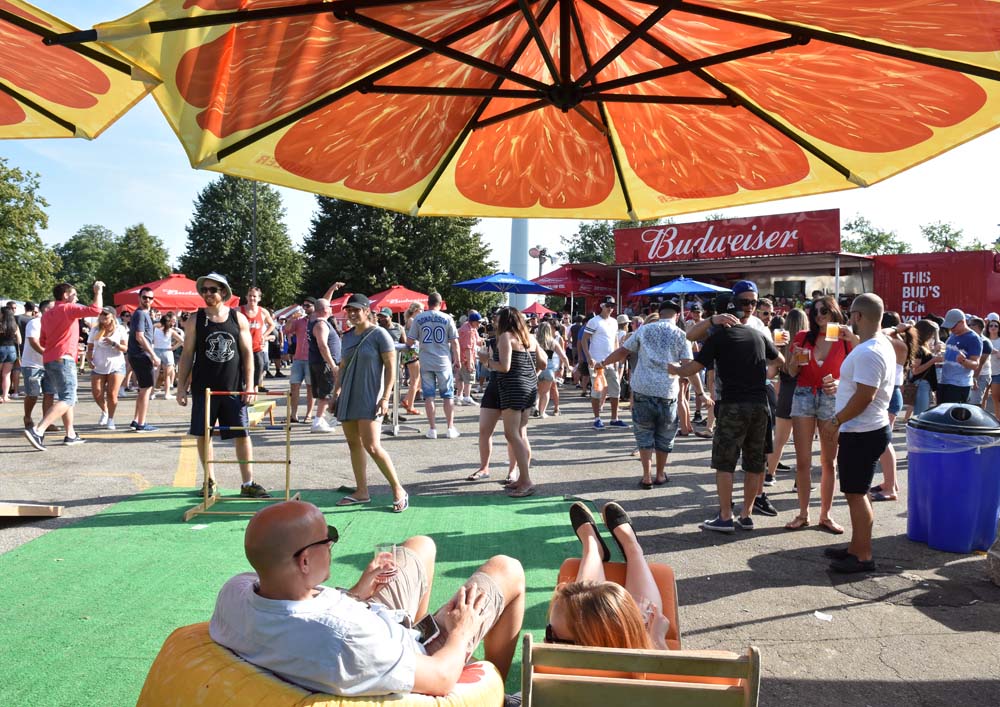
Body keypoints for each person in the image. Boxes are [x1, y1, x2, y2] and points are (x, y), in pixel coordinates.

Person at [209, 500, 526, 698]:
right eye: (328, 537)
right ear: (304, 561)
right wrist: (460, 631)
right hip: (407, 650)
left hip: (370, 618)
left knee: (421, 546)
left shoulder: (234, 592)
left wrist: (356, 594)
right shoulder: (344, 639)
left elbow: (298, 612)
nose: (333, 543)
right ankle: (493, 696)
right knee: (507, 569)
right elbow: (441, 678)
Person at [670, 291, 783, 532]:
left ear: (719, 315)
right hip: (760, 405)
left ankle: (724, 517)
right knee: (754, 463)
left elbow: (693, 366)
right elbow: (780, 360)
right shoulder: (757, 334)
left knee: (725, 463)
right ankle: (746, 515)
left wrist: (674, 370)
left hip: (733, 405)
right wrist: (762, 374)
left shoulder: (718, 338)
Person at [175, 273, 270, 499]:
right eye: (205, 290)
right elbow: (187, 355)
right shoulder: (195, 319)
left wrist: (251, 385)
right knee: (203, 435)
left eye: (213, 290)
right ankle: (210, 481)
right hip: (204, 389)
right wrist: (180, 387)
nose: (208, 294)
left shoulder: (238, 319)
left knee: (242, 434)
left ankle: (248, 482)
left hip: (234, 388)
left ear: (223, 292)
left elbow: (248, 354)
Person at [601, 298, 707, 489]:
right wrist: (701, 393)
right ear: (676, 315)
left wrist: (604, 363)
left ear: (661, 312)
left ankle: (646, 476)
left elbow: (622, 352)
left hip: (642, 389)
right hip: (667, 391)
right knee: (665, 436)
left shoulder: (644, 329)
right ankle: (660, 474)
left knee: (644, 434)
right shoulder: (682, 335)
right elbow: (689, 368)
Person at [824, 294, 896, 573]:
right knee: (856, 492)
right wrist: (841, 386)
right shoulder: (875, 345)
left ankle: (863, 555)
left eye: (850, 313)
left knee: (856, 494)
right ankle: (856, 546)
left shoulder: (870, 350)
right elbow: (863, 387)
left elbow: (866, 395)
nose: (847, 318)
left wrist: (836, 420)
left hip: (863, 430)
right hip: (866, 429)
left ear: (858, 316)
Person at [549, 502, 669, 649]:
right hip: (636, 643)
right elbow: (669, 671)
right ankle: (632, 548)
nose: (546, 638)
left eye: (550, 632)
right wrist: (656, 638)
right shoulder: (644, 665)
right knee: (644, 614)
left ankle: (593, 548)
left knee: (579, 607)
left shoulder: (560, 663)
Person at [784, 296, 858, 533]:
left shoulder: (844, 338)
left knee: (829, 461)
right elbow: (791, 371)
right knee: (803, 460)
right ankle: (803, 514)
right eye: (814, 311)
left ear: (834, 311)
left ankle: (825, 515)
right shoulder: (803, 337)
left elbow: (858, 371)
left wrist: (839, 382)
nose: (819, 316)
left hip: (832, 399)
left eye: (824, 310)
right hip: (804, 395)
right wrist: (794, 357)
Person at [334, 294, 408, 512]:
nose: (352, 314)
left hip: (370, 396)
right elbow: (343, 367)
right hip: (348, 395)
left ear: (367, 310)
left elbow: (391, 367)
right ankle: (361, 491)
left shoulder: (379, 334)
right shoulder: (347, 336)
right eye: (349, 310)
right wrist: (335, 393)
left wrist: (386, 397)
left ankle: (398, 490)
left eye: (357, 310)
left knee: (373, 446)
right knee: (353, 444)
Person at [23, 281, 105, 450]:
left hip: (50, 358)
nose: (76, 298)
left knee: (65, 398)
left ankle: (70, 434)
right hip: (63, 358)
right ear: (66, 295)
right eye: (74, 294)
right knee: (68, 398)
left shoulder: (47, 314)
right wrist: (98, 291)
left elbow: (44, 340)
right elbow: (96, 310)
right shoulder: (67, 309)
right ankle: (38, 430)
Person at [477, 307, 546, 498]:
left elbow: (504, 367)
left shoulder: (506, 337)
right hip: (529, 388)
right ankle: (522, 478)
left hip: (513, 388)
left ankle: (526, 480)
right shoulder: (529, 338)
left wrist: (486, 361)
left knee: (512, 434)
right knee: (520, 434)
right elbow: (544, 363)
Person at [869, 314, 916, 502]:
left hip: (889, 394)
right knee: (883, 441)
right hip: (891, 393)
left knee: (883, 442)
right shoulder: (898, 342)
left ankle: (890, 487)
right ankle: (891, 483)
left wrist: (896, 328)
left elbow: (878, 334)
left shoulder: (892, 340)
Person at [407, 292, 460, 439]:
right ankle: (450, 427)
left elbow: (410, 341)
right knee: (448, 395)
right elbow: (455, 341)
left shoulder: (418, 318)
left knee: (429, 395)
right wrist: (457, 359)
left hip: (426, 361)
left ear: (427, 302)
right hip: (443, 361)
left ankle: (432, 429)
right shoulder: (447, 318)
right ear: (440, 303)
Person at [765, 308, 807, 485]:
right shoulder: (806, 343)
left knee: (780, 440)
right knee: (802, 443)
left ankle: (770, 474)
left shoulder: (781, 345)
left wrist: (777, 350)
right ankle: (800, 481)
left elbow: (770, 374)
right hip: (804, 394)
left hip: (785, 394)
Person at [582, 296, 627, 429]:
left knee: (615, 389)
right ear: (602, 305)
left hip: (610, 361)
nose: (610, 308)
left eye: (612, 306)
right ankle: (597, 418)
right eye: (608, 305)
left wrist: (617, 359)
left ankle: (614, 418)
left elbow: (615, 341)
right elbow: (584, 340)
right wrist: (589, 357)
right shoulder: (593, 321)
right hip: (596, 362)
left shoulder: (614, 322)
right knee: (597, 390)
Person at [87, 307, 128, 430]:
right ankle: (104, 411)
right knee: (97, 393)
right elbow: (89, 348)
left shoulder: (120, 329)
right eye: (101, 315)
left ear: (113, 317)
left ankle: (111, 418)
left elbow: (125, 348)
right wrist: (89, 360)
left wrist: (114, 343)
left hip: (116, 365)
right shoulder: (95, 330)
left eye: (106, 315)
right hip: (98, 365)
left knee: (112, 394)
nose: (103, 318)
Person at [126, 287, 160, 432]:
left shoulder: (144, 314)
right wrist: (153, 355)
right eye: (145, 297)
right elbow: (140, 336)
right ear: (139, 298)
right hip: (141, 355)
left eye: (150, 298)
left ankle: (136, 420)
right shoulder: (140, 314)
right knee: (146, 389)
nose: (147, 300)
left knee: (143, 389)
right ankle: (142, 423)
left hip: (137, 355)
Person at [307, 298, 342, 433]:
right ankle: (318, 421)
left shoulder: (316, 321)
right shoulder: (321, 324)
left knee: (326, 393)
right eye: (330, 306)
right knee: (325, 394)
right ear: (325, 309)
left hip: (320, 362)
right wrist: (333, 365)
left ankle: (325, 418)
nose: (332, 308)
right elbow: (322, 346)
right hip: (324, 364)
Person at [937, 308, 982, 403]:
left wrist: (963, 361)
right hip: (944, 381)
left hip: (959, 385)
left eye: (953, 326)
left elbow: (975, 364)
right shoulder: (953, 335)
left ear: (962, 322)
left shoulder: (973, 338)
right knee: (941, 415)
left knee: (954, 416)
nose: (951, 329)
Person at [20, 300, 52, 431]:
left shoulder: (55, 324)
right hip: (32, 365)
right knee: (33, 394)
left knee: (50, 393)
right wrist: (48, 354)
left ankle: (46, 422)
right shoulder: (34, 323)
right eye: (53, 308)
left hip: (50, 364)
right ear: (45, 310)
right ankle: (27, 417)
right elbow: (34, 342)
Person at [284, 297, 316, 423]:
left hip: (311, 359)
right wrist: (291, 319)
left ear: (314, 307)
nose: (305, 308)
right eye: (304, 305)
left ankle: (308, 415)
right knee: (294, 386)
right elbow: (286, 330)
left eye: (308, 306)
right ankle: (294, 415)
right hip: (298, 359)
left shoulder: (317, 321)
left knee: (310, 388)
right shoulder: (299, 321)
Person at [241, 287, 277, 392]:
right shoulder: (238, 311)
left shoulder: (263, 312)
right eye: (250, 296)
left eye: (254, 296)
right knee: (242, 376)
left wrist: (264, 336)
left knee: (257, 375)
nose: (252, 298)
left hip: (257, 348)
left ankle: (253, 398)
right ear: (246, 297)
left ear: (259, 298)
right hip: (242, 348)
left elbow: (272, 325)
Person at [908, 319, 940, 417]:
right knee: (920, 415)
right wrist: (933, 360)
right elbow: (915, 371)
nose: (932, 336)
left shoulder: (922, 346)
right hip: (921, 383)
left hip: (924, 383)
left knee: (922, 413)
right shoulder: (919, 348)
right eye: (931, 333)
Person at [534, 320, 566, 417]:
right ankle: (542, 412)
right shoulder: (553, 342)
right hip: (549, 368)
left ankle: (535, 407)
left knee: (537, 390)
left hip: (536, 367)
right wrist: (567, 367)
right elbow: (563, 356)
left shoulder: (534, 340)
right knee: (545, 392)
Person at [152, 312, 184, 400]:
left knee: (155, 374)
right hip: (167, 351)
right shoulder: (171, 331)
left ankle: (151, 393)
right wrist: (173, 348)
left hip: (156, 351)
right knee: (167, 375)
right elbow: (181, 340)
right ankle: (167, 394)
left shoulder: (155, 328)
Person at [400, 302, 424, 415]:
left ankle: (407, 401)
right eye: (421, 310)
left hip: (413, 351)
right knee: (415, 379)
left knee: (418, 379)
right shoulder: (412, 321)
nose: (423, 312)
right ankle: (410, 406)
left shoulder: (411, 320)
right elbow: (415, 336)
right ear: (416, 310)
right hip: (412, 352)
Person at [456, 311, 482, 406]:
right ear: (473, 321)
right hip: (466, 358)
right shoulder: (468, 331)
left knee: (460, 378)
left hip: (459, 357)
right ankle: (467, 397)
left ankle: (459, 397)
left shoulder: (469, 327)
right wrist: (470, 362)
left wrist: (482, 341)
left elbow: (478, 341)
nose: (480, 324)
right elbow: (468, 348)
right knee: (468, 378)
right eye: (478, 322)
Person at [967, 317, 993, 407]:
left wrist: (974, 379)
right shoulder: (971, 339)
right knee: (967, 403)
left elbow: (980, 364)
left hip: (980, 376)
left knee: (975, 404)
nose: (968, 326)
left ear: (977, 327)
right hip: (970, 375)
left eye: (970, 325)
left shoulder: (985, 343)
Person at [0, 307, 22, 404]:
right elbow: (19, 341)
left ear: (3, 314)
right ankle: (5, 396)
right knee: (6, 375)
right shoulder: (15, 326)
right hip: (11, 350)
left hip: (1, 349)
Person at [987, 317, 1000, 414]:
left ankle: (998, 421)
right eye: (991, 325)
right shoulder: (984, 340)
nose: (993, 327)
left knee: (996, 397)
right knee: (983, 398)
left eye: (996, 326)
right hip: (984, 373)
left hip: (997, 373)